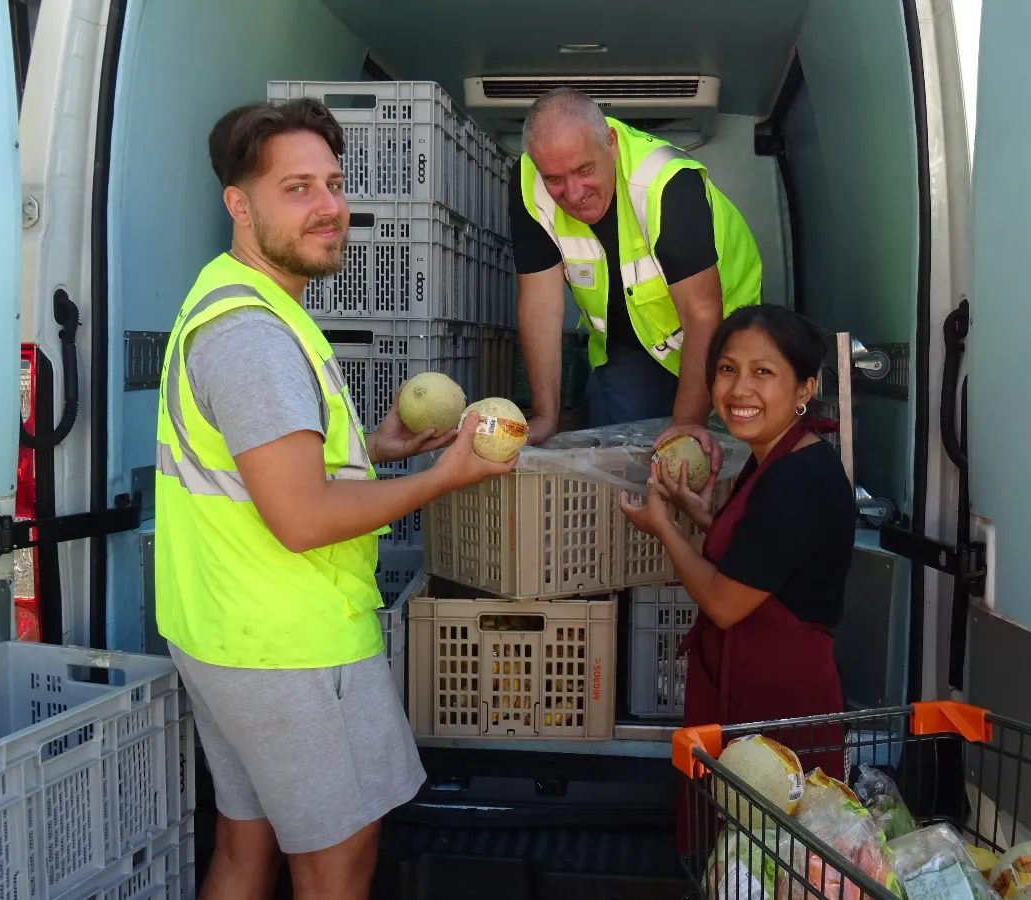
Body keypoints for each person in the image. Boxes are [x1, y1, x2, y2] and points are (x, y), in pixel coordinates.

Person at [153, 97, 517, 900]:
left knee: (245, 848)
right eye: (297, 189)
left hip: (227, 632)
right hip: (291, 645)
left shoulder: (233, 299)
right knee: (337, 867)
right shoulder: (252, 335)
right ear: (239, 205)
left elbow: (265, 471)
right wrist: (441, 477)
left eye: (333, 183)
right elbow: (303, 518)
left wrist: (378, 451)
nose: (329, 208)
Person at [617, 304, 857, 844]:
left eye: (763, 372)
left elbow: (725, 602)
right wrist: (699, 512)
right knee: (741, 860)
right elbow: (767, 553)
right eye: (727, 369)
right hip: (751, 687)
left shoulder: (797, 477)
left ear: (805, 387)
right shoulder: (780, 455)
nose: (739, 388)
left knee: (767, 859)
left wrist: (666, 530)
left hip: (774, 705)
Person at [510, 87, 763, 477]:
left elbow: (703, 312)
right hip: (631, 344)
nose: (573, 194)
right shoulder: (528, 182)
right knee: (630, 470)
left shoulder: (664, 180)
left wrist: (687, 421)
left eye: (584, 170)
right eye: (555, 179)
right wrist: (546, 415)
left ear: (610, 144)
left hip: (728, 332)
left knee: (717, 459)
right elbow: (540, 305)